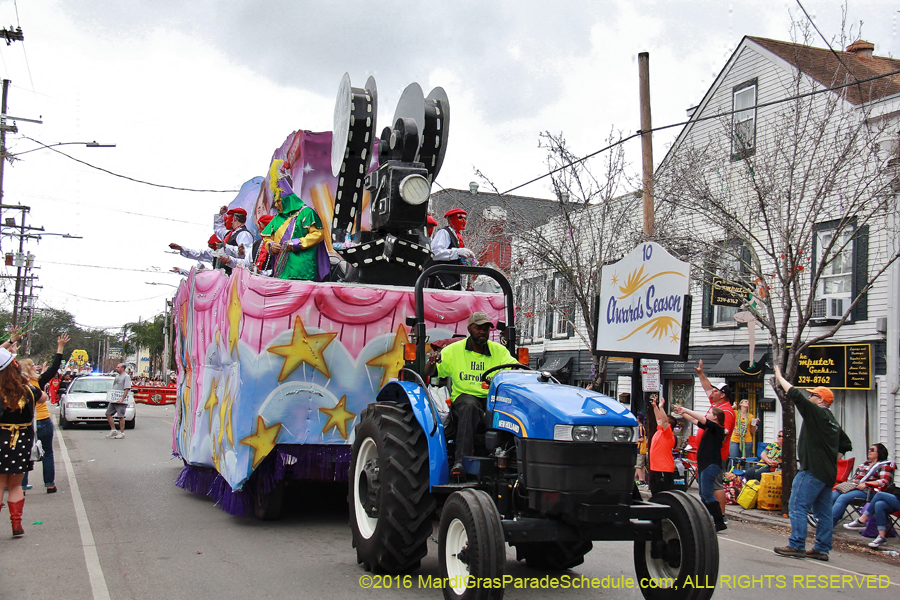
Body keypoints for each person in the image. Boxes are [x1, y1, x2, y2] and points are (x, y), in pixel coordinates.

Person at [772, 367, 852, 561]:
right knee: (824, 512)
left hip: (812, 470)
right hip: (827, 473)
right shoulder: (832, 420)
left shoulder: (817, 413)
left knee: (797, 505)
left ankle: (797, 544)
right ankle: (821, 548)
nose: (809, 397)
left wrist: (780, 378)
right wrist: (833, 457)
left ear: (821, 400)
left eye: (813, 395)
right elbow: (846, 443)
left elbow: (795, 395)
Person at [426, 311, 517, 478]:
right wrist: (431, 363)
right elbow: (432, 372)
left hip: (492, 398)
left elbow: (515, 368)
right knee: (470, 407)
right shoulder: (454, 351)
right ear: (470, 329)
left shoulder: (499, 351)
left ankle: (512, 462)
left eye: (486, 329)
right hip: (465, 397)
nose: (482, 332)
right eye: (478, 328)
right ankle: (461, 462)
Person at [0, 346, 47, 536]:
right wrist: (27, 382)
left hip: (0, 438)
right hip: (21, 441)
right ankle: (16, 523)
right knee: (15, 485)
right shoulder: (28, 389)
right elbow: (43, 398)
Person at [20, 333, 71, 493]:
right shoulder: (39, 381)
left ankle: (21, 487)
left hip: (27, 423)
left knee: (24, 455)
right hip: (43, 421)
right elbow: (54, 367)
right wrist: (60, 347)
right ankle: (49, 484)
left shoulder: (15, 385)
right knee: (47, 453)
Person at [261, 164, 326, 280]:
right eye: (276, 201)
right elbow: (267, 238)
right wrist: (270, 245)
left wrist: (297, 243)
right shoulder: (277, 218)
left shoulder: (306, 212)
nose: (276, 204)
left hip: (302, 269)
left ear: (288, 199)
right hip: (281, 269)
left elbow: (318, 234)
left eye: (279, 201)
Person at [673, 403, 728, 531]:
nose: (707, 414)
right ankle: (708, 519)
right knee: (703, 494)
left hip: (711, 464)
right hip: (704, 464)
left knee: (708, 494)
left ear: (715, 417)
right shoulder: (710, 428)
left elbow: (701, 419)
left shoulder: (717, 428)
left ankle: (719, 521)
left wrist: (685, 408)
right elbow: (695, 421)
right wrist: (683, 413)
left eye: (709, 413)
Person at [694, 359, 735, 517]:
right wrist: (701, 374)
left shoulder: (727, 411)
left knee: (715, 486)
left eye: (716, 391)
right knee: (708, 487)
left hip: (715, 455)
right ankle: (712, 515)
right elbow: (707, 387)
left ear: (723, 395)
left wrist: (711, 450)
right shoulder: (716, 406)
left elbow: (722, 434)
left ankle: (720, 516)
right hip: (706, 454)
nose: (712, 392)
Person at [836, 443, 893, 529]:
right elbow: (854, 477)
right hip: (853, 487)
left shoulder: (884, 466)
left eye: (872, 450)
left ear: (879, 453)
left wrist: (866, 484)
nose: (869, 451)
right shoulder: (865, 464)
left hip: (868, 491)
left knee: (843, 498)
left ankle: (826, 524)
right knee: (834, 494)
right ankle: (821, 518)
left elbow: (884, 481)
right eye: (869, 449)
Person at [426, 208, 476, 290]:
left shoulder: (458, 236)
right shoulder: (444, 232)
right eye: (460, 218)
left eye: (465, 218)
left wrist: (467, 260)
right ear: (450, 220)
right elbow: (435, 253)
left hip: (454, 279)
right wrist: (457, 252)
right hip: (442, 279)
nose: (463, 221)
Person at [648, 394, 677, 498]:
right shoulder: (660, 431)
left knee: (662, 494)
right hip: (656, 468)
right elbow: (659, 419)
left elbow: (663, 420)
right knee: (655, 492)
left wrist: (661, 407)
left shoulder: (668, 434)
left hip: (663, 468)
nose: (659, 422)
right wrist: (655, 406)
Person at [729, 398, 757, 468]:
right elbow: (726, 412)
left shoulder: (751, 416)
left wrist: (754, 424)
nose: (747, 403)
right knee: (733, 459)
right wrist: (733, 407)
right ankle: (730, 476)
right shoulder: (735, 413)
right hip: (735, 439)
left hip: (747, 440)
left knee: (745, 460)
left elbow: (752, 431)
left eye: (748, 402)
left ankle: (745, 477)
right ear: (740, 404)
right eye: (745, 401)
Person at [106, 363, 132, 439]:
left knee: (120, 416)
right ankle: (113, 430)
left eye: (118, 367)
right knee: (108, 414)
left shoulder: (126, 377)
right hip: (114, 399)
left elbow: (127, 388)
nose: (116, 368)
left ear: (122, 368)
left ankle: (122, 432)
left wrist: (122, 399)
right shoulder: (117, 376)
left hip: (121, 399)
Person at [634, 413, 648, 487]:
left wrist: (635, 439)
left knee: (638, 465)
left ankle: (641, 480)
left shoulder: (640, 428)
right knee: (641, 465)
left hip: (640, 448)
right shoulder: (641, 427)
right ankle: (639, 479)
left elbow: (641, 438)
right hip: (642, 449)